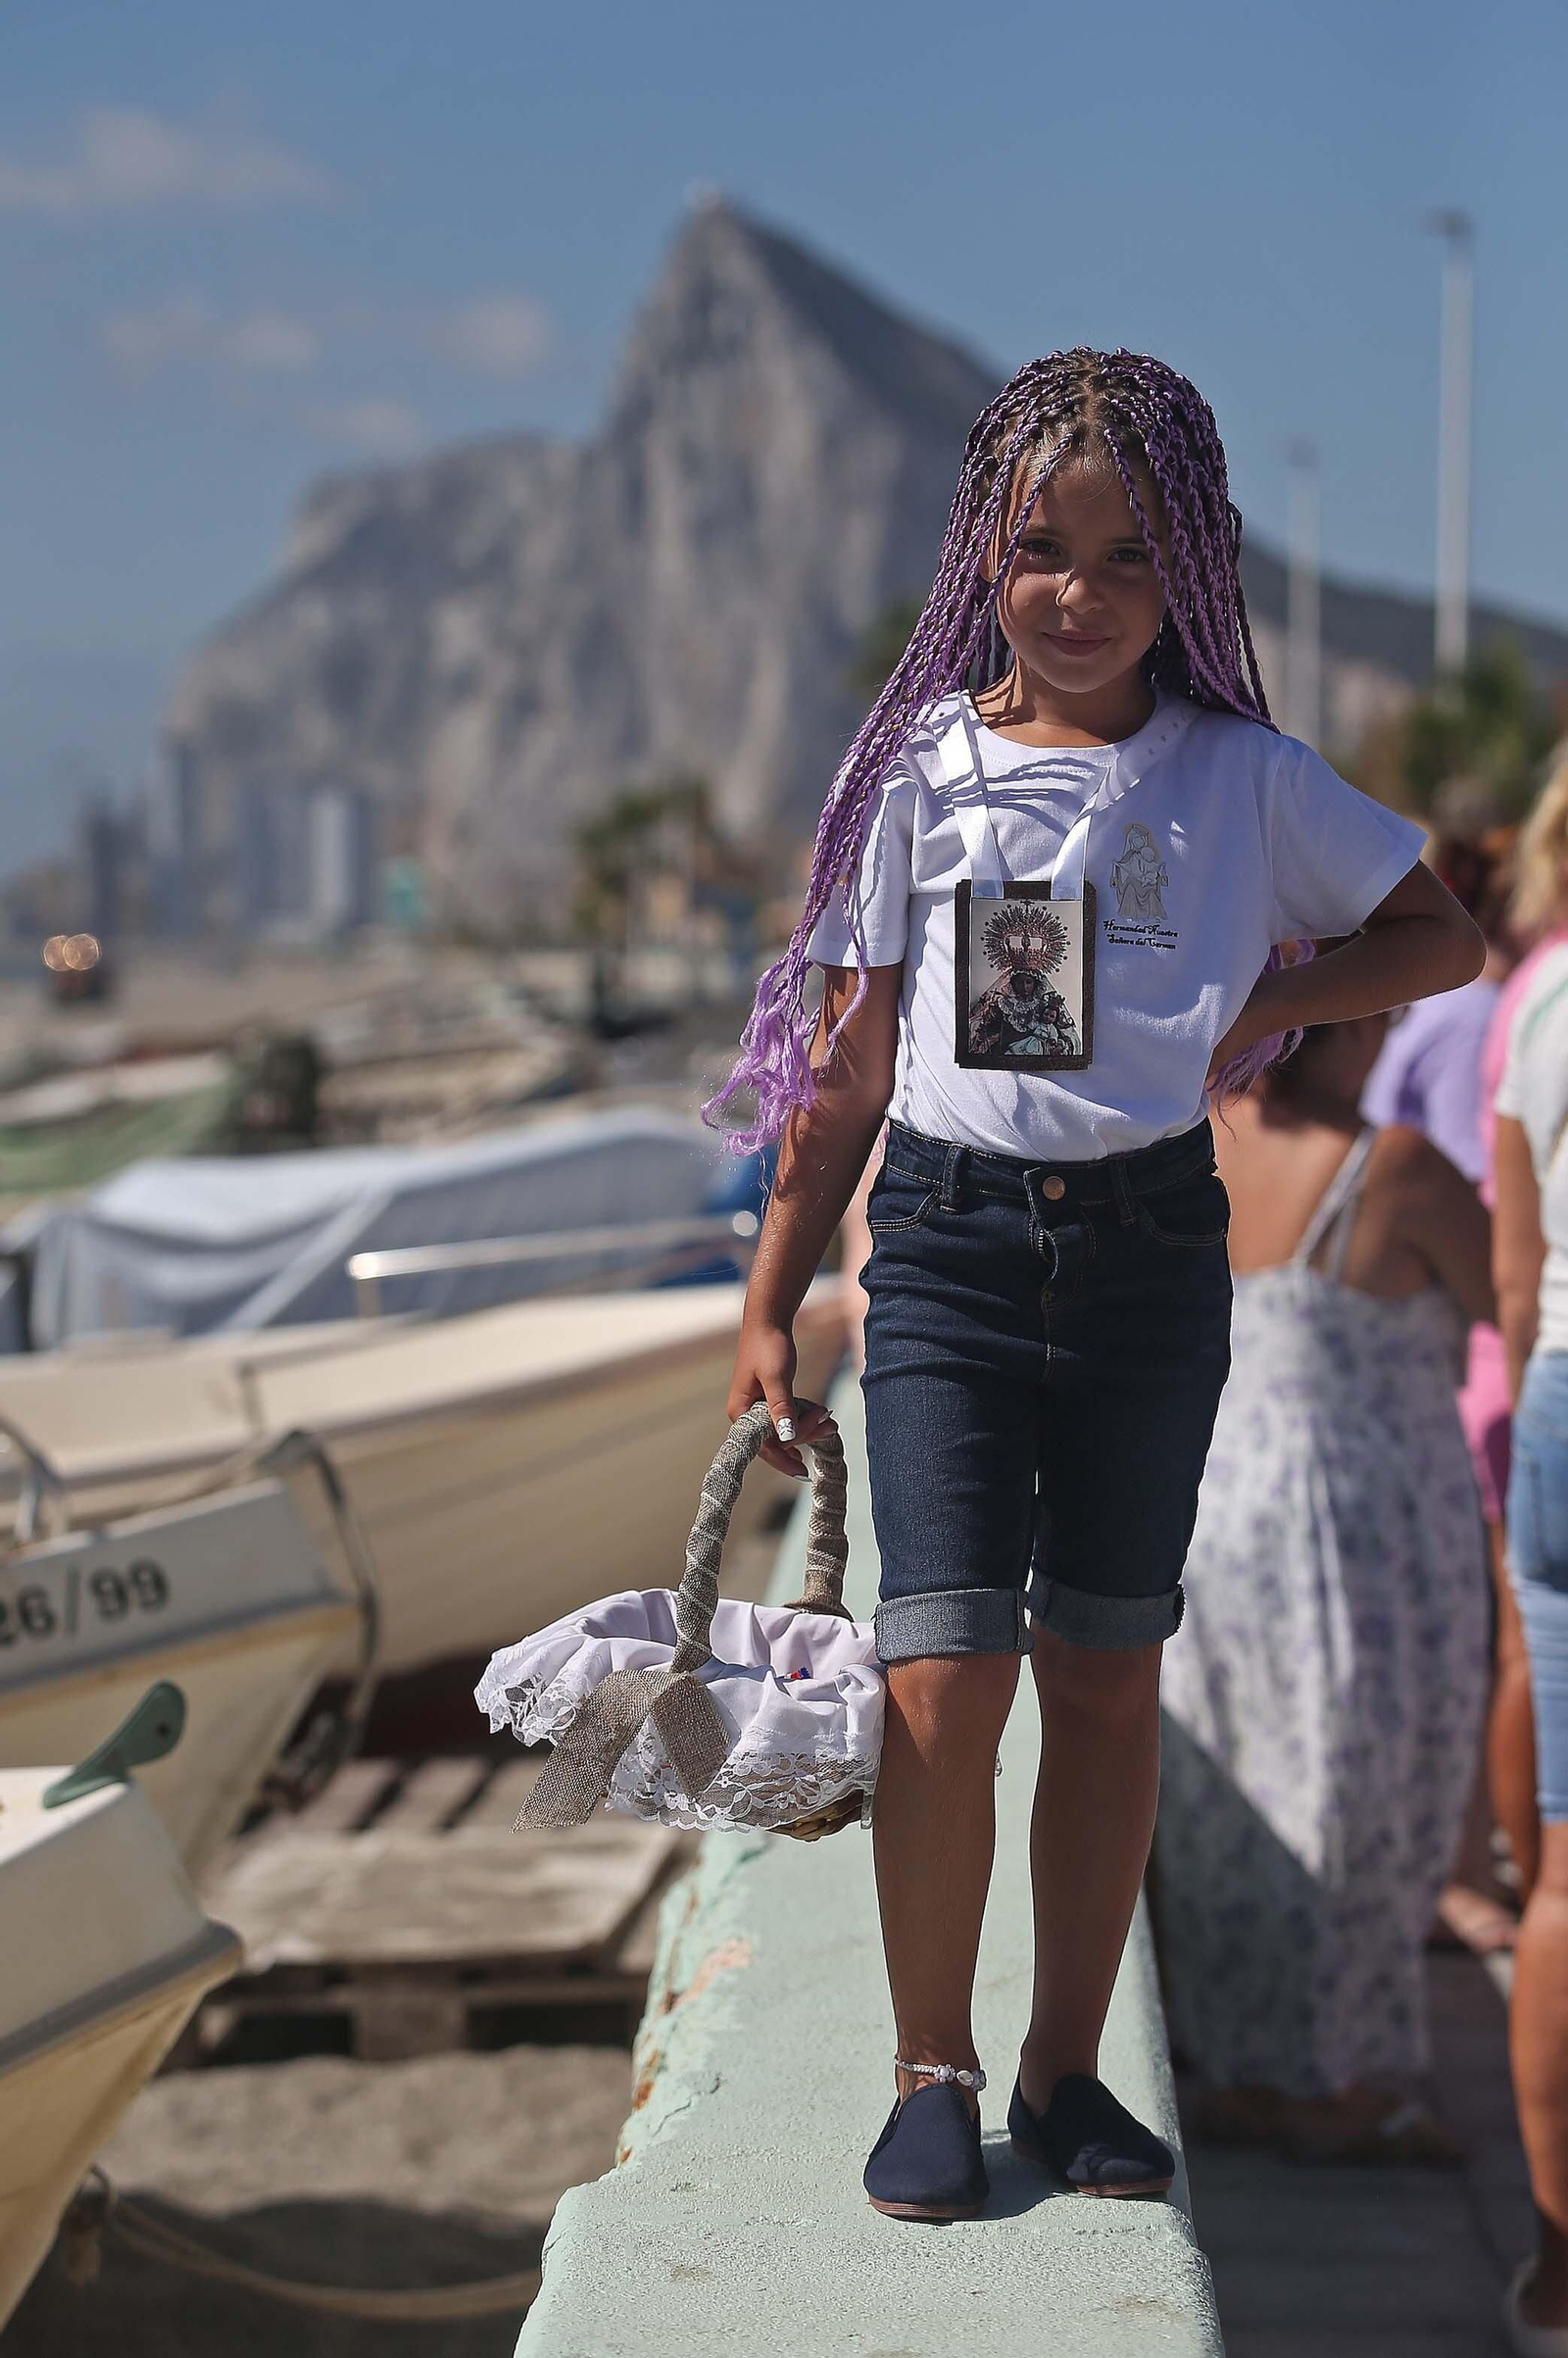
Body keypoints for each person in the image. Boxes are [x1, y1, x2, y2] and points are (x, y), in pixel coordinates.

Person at [705, 347, 1484, 2223]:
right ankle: (929, 2068)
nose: (1079, 590)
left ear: (1189, 572)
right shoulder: (921, 776)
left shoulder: (1239, 775)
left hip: (1149, 1253)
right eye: (1043, 549)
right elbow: (855, 1076)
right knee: (941, 1675)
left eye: (1127, 558)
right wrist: (766, 1300)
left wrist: (1263, 1000)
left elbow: (1440, 929)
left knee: (1110, 1677)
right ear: (987, 554)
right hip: (955, 1258)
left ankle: (1063, 2068)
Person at [1155, 1012, 1493, 2160]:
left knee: (1234, 1799)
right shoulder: (1393, 1165)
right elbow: (1515, 1301)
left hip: (1211, 1507)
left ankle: (1245, 2062)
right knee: (1364, 1792)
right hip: (1359, 1518)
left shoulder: (1200, 1140)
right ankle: (1328, 2080)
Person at [1494, 932, 1568, 2352]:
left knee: (1562, 1875)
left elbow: (1518, 1271)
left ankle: (1560, 2269)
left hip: (1558, 1390)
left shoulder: (1545, 984)